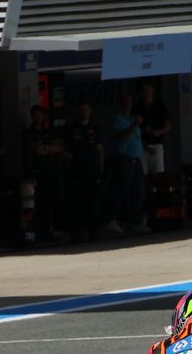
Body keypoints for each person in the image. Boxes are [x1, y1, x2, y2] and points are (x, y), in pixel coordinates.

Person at [101, 91, 149, 237]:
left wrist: (146, 148)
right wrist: (135, 124)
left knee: (138, 191)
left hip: (136, 159)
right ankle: (110, 219)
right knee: (121, 190)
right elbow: (121, 136)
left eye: (129, 102)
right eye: (125, 102)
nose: (128, 105)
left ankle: (135, 221)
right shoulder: (118, 119)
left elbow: (135, 138)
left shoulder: (131, 117)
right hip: (124, 159)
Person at [23, 105, 68, 244]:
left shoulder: (48, 132)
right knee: (33, 206)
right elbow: (37, 150)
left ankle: (50, 230)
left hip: (50, 173)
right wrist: (49, 148)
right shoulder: (28, 133)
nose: (38, 118)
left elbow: (60, 148)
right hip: (34, 175)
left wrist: (47, 148)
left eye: (41, 115)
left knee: (51, 203)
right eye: (35, 115)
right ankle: (34, 234)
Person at [61, 100, 104, 242]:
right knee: (77, 203)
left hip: (92, 170)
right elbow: (64, 150)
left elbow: (100, 149)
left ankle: (94, 232)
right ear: (78, 111)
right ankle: (77, 233)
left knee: (94, 203)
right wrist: (72, 161)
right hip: (77, 171)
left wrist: (101, 168)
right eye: (82, 109)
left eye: (87, 109)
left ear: (90, 111)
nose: (84, 112)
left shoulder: (95, 128)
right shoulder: (71, 128)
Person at [135, 81, 172, 175]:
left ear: (153, 90)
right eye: (144, 90)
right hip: (142, 146)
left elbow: (168, 126)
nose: (146, 92)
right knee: (142, 175)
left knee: (158, 176)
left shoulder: (159, 106)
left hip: (156, 145)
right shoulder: (137, 107)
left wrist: (159, 132)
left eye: (148, 89)